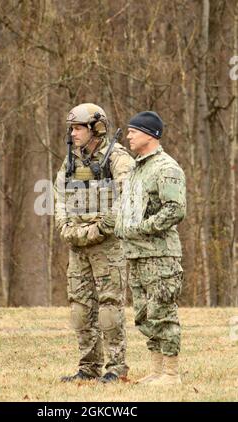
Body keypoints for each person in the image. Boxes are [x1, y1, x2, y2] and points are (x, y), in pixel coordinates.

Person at [54, 103, 134, 383]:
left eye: (78, 128)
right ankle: (88, 367)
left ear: (95, 129)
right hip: (77, 247)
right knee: (80, 308)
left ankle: (115, 368)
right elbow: (59, 197)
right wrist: (66, 228)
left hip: (107, 248)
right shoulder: (71, 160)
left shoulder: (118, 158)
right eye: (71, 128)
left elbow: (128, 199)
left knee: (110, 307)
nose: (73, 133)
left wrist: (98, 229)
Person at [115, 111, 186, 386]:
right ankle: (157, 370)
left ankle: (171, 373)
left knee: (163, 312)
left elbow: (175, 209)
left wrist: (143, 228)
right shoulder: (137, 168)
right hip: (136, 254)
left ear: (149, 134)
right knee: (145, 314)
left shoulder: (166, 167)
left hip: (160, 256)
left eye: (133, 131)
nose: (128, 135)